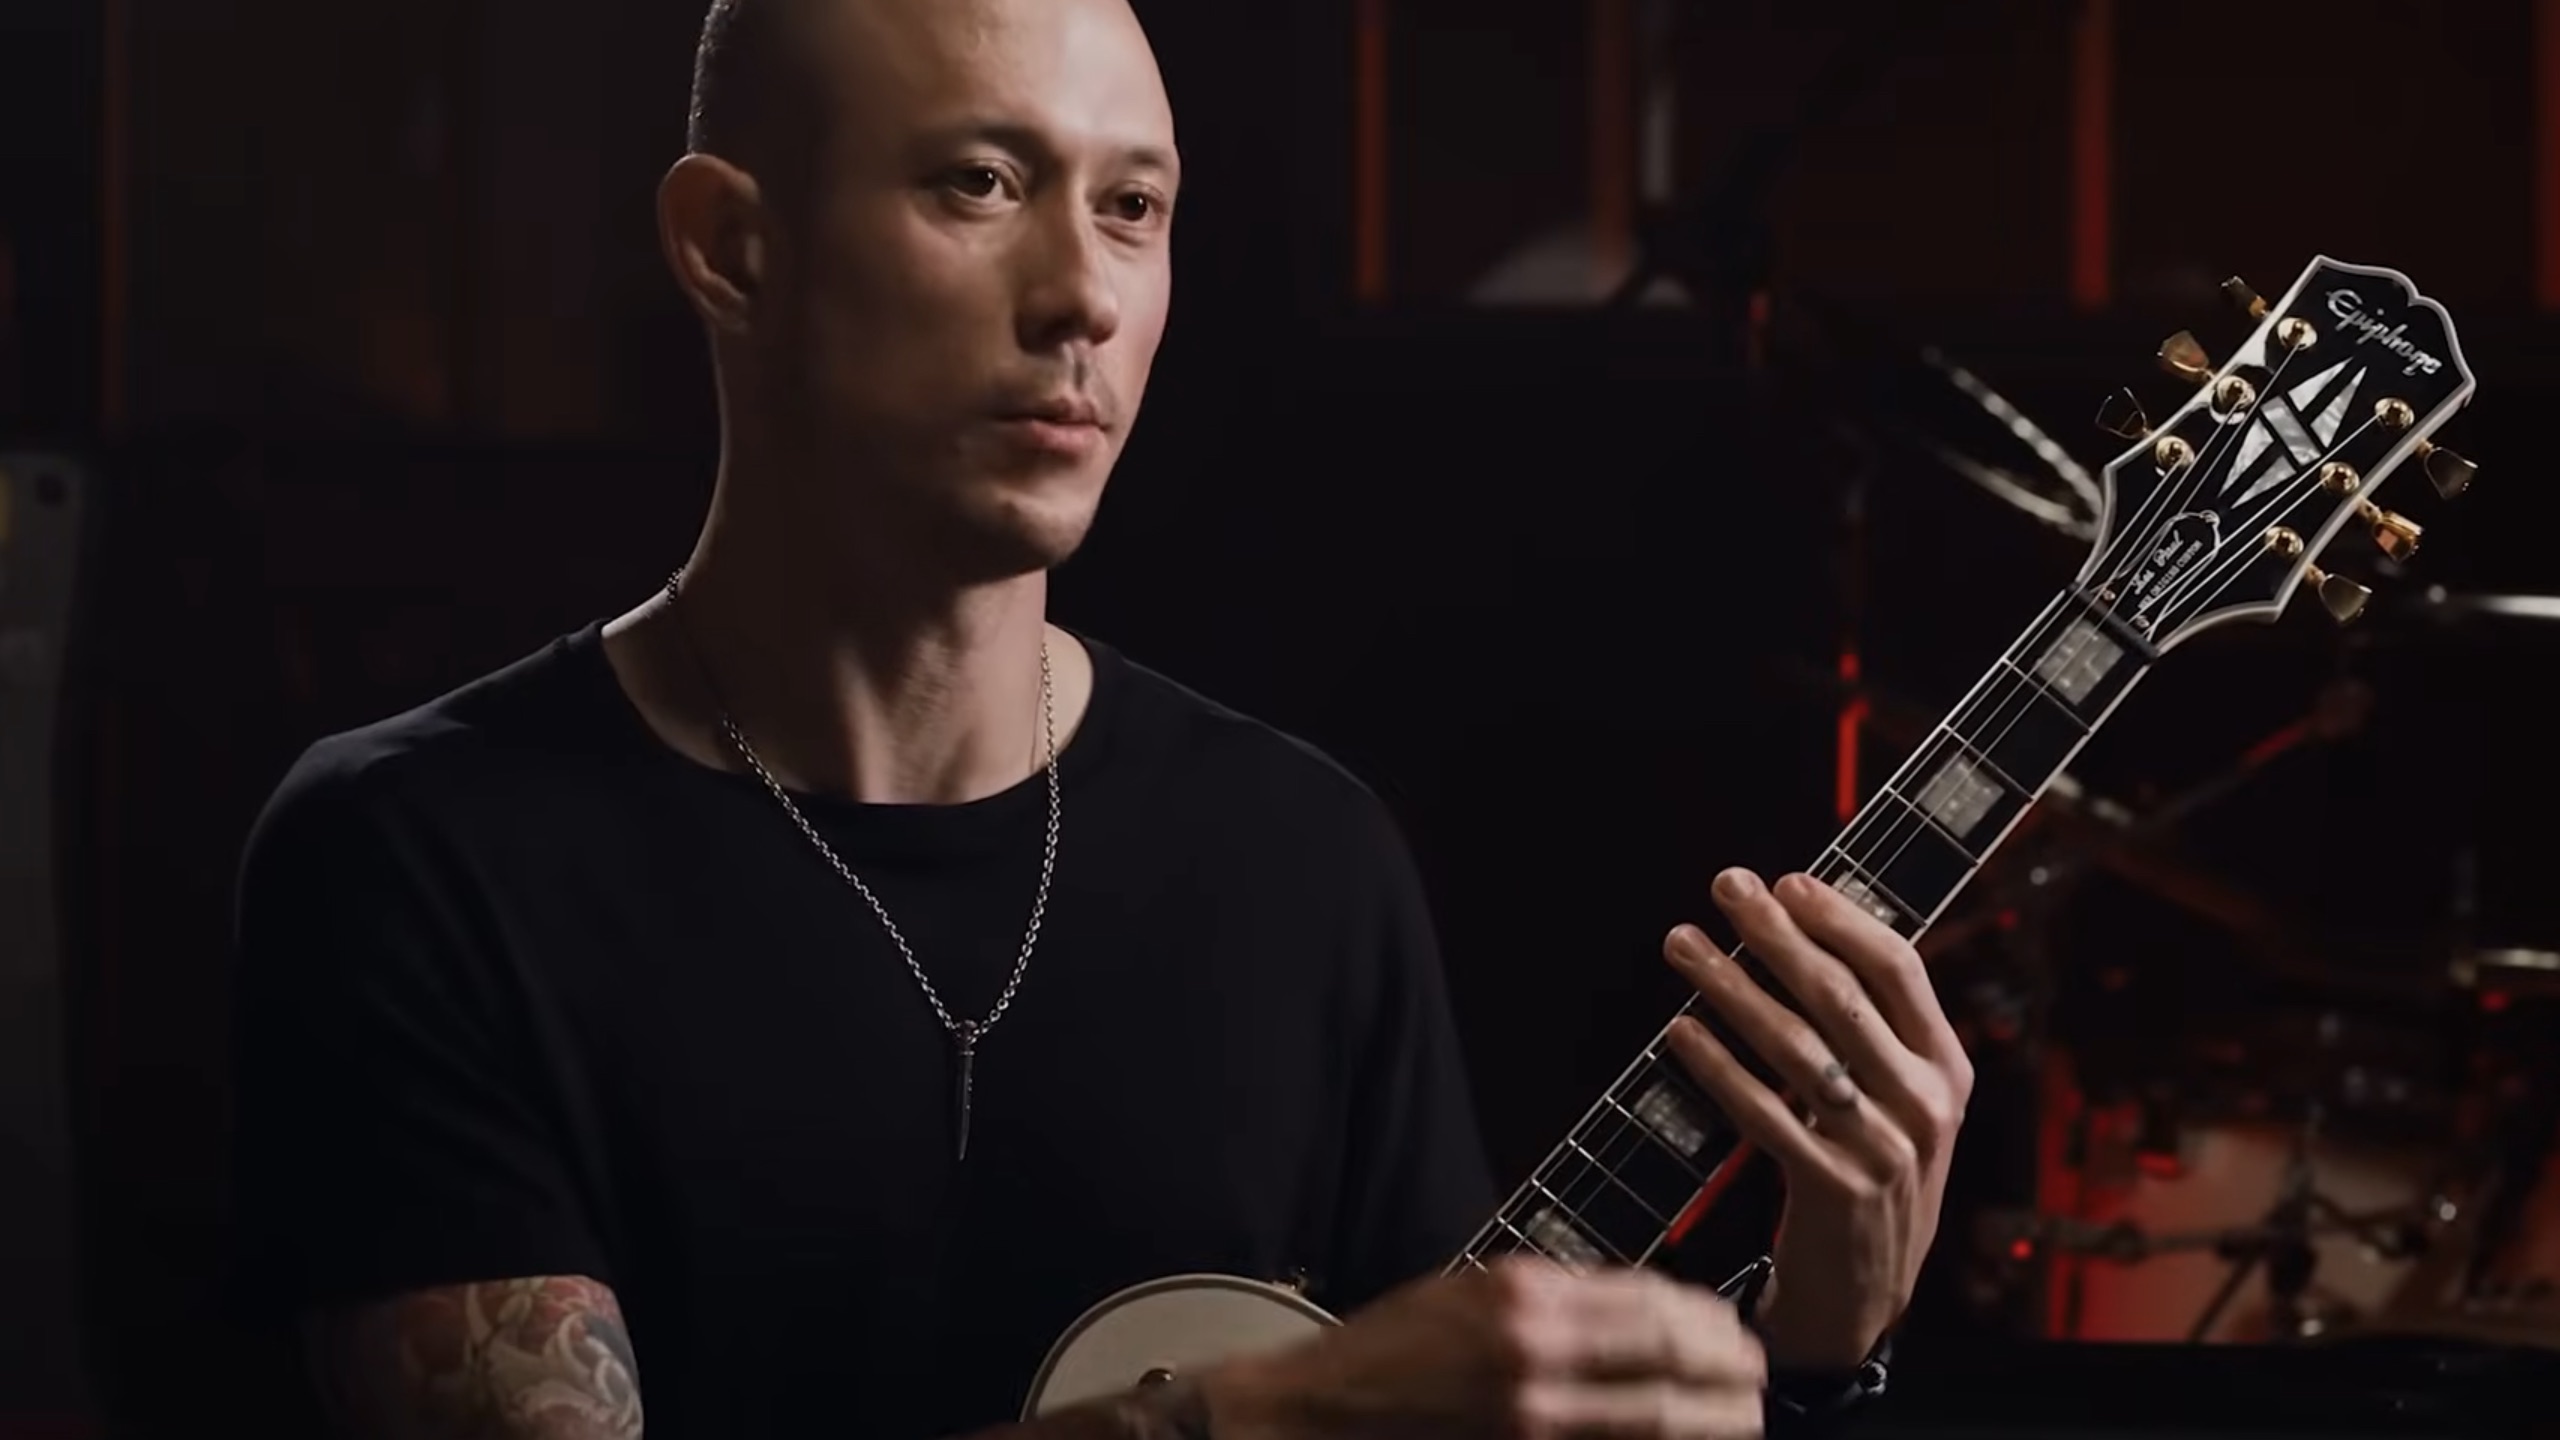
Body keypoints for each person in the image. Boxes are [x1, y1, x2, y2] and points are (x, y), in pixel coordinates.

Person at [224, 0, 1975, 1435]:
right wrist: (1246, 1424)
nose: (1084, 295)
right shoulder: (417, 856)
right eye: (982, 183)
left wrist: (1813, 1363)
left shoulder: (1304, 860)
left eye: (1134, 207)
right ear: (732, 247)